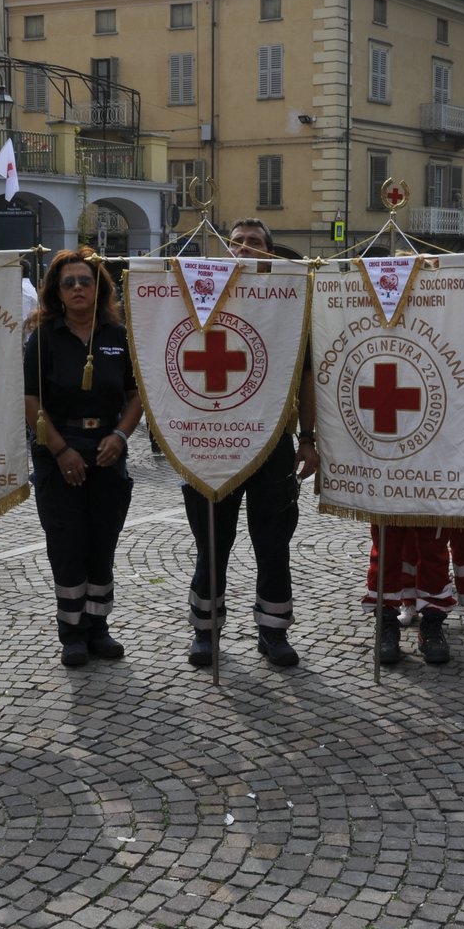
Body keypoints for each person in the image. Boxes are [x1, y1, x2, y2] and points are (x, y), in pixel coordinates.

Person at [182, 218, 317, 669]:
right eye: (235, 242)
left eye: (254, 242)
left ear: (271, 252)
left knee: (273, 543)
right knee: (212, 544)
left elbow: (308, 378)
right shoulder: (195, 300)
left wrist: (309, 438)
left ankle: (273, 632)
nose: (242, 248)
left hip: (272, 442)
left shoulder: (292, 304)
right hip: (211, 442)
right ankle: (205, 631)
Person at [23, 248, 143, 668]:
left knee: (102, 544)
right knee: (67, 543)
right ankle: (72, 633)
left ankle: (99, 627)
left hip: (107, 450)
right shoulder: (43, 337)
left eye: (85, 281)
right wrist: (60, 449)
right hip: (58, 453)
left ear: (99, 288)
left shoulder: (117, 336)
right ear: (57, 291)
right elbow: (31, 399)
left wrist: (120, 436)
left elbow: (134, 396)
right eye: (68, 282)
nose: (77, 288)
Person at [364, 327, 464, 666]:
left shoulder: (462, 329)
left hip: (440, 454)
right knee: (387, 540)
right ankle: (387, 623)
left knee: (434, 544)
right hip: (390, 448)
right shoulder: (381, 331)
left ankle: (432, 624)